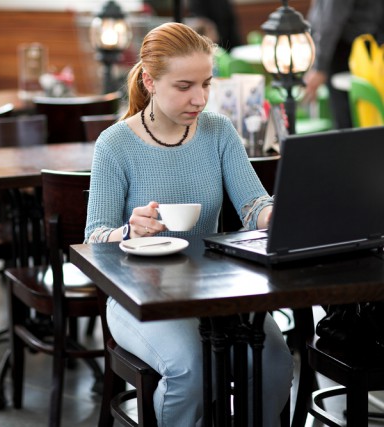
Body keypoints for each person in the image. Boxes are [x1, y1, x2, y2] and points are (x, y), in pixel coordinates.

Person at [83, 22, 293, 426]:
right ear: (149, 80)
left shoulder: (218, 131)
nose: (199, 98)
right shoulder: (115, 144)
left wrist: (281, 212)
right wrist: (129, 230)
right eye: (184, 86)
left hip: (215, 290)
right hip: (138, 297)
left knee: (275, 363)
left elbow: (253, 205)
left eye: (206, 84)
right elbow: (94, 237)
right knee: (190, 371)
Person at [303, 0, 384, 129]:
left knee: (349, 118)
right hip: (349, 47)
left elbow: (331, 22)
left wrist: (319, 67)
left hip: (350, 49)